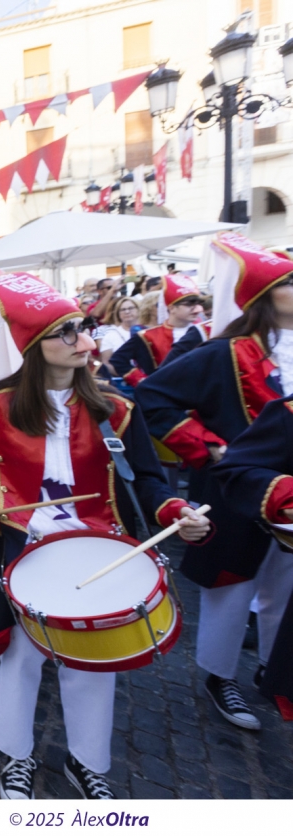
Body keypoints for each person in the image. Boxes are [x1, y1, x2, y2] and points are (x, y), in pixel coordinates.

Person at [0, 272, 209, 801]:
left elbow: (145, 476)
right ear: (35, 348)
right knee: (22, 660)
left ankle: (86, 762)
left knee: (94, 669)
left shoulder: (113, 407)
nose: (84, 341)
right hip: (20, 552)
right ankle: (16, 756)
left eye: (84, 328)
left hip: (100, 550)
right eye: (68, 332)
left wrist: (176, 508)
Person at [136, 232, 293, 732]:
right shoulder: (223, 352)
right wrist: (210, 447)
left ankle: (276, 667)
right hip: (232, 490)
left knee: (284, 587)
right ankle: (220, 675)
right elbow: (153, 399)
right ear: (266, 296)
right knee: (232, 584)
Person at [215, 394, 293, 716]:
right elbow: (237, 466)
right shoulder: (287, 411)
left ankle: (272, 673)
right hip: (251, 518)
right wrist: (205, 442)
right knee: (231, 602)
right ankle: (219, 678)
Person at [109, 274, 203, 386]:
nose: (197, 309)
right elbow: (118, 360)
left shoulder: (203, 331)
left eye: (197, 303)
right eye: (189, 304)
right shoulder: (147, 336)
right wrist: (142, 381)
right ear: (171, 308)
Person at [94, 296, 140, 369]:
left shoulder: (147, 331)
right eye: (123, 310)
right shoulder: (110, 335)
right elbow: (106, 363)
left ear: (138, 309)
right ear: (118, 314)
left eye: (131, 308)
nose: (127, 312)